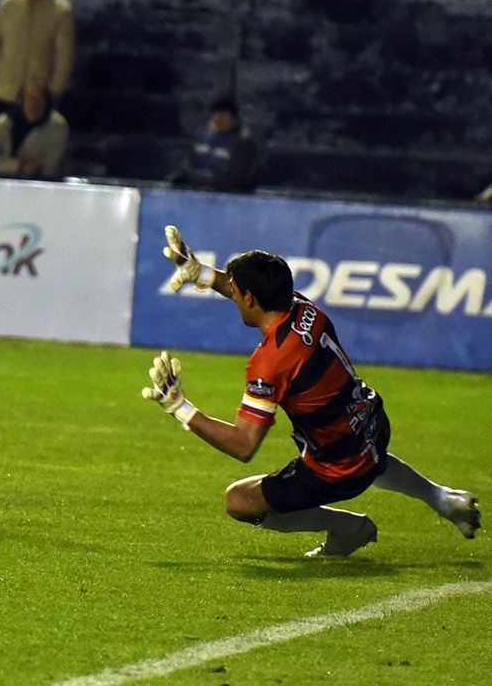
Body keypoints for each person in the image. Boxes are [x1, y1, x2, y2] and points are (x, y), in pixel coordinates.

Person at [141, 226, 481, 558]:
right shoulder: (303, 308)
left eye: (236, 290)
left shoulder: (271, 362)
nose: (234, 295)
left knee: (239, 501)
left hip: (337, 468)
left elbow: (243, 445)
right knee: (369, 457)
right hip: (370, 423)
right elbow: (247, 291)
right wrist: (201, 274)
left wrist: (180, 407)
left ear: (250, 298)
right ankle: (442, 498)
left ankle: (347, 528)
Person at [165, 94, 259, 194]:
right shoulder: (203, 134)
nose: (218, 119)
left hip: (227, 197)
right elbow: (188, 163)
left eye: (223, 115)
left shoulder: (243, 140)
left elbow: (232, 178)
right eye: (216, 114)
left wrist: (196, 179)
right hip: (197, 194)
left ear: (233, 118)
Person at [0, 80, 67, 179]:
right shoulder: (5, 123)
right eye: (30, 98)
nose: (34, 103)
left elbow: (52, 166)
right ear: (22, 101)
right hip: (3, 181)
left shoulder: (57, 126)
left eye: (39, 99)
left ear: (47, 103)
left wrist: (34, 169)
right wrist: (18, 166)